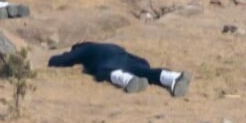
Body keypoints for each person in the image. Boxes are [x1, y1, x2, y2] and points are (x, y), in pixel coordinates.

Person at [47, 40, 189, 97]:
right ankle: (173, 77)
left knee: (104, 72)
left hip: (107, 61)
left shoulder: (85, 49)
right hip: (124, 57)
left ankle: (128, 80)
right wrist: (143, 65)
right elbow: (141, 60)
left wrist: (55, 59)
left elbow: (63, 60)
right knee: (147, 72)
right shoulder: (109, 45)